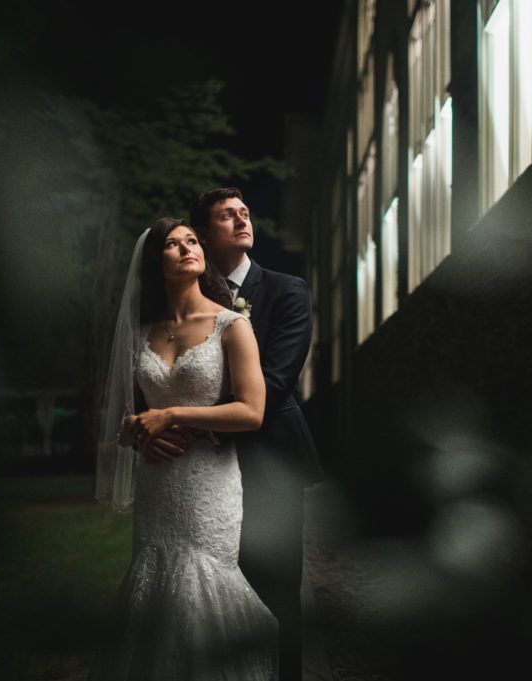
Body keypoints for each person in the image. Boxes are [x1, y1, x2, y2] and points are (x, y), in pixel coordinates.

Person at [92, 217, 278, 681]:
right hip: (158, 481)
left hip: (209, 481)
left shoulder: (231, 325)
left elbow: (252, 411)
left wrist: (171, 415)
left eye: (192, 241)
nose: (186, 249)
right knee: (153, 583)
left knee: (202, 584)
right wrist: (137, 435)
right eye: (172, 245)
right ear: (156, 262)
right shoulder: (141, 334)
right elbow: (126, 419)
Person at [185, 188, 322, 681]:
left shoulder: (287, 290)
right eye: (226, 215)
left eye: (244, 212)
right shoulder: (187, 296)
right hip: (202, 466)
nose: (242, 219)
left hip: (272, 460)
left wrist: (189, 420)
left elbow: (276, 379)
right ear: (202, 233)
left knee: (277, 585)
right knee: (214, 582)